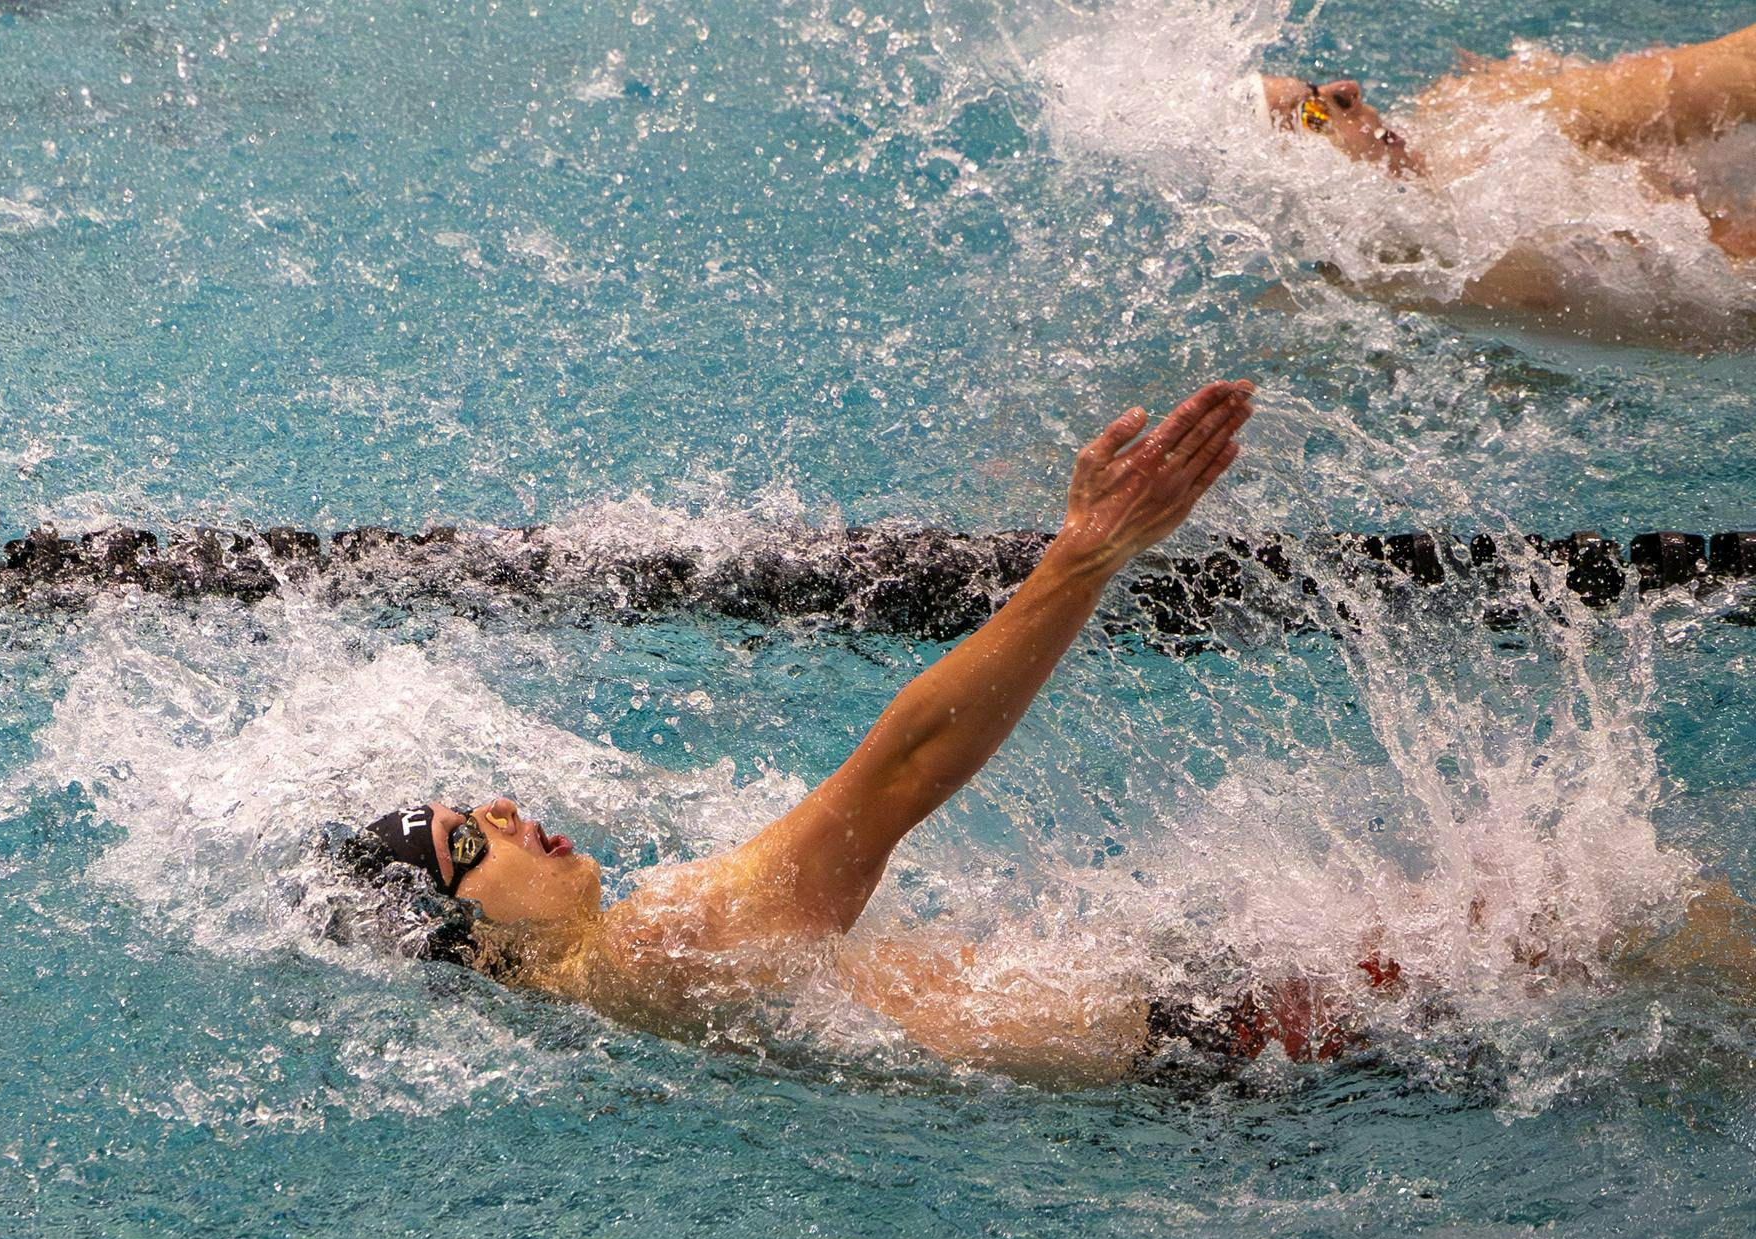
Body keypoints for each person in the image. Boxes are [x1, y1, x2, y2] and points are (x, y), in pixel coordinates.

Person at [311, 379, 1255, 1086]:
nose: (503, 807)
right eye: (468, 838)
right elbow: (900, 772)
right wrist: (1080, 562)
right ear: (474, 945)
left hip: (1174, 1058)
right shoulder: (650, 949)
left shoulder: (611, 1019)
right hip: (1226, 1038)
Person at [1257, 21, 1756, 326]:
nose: (1347, 89)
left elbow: (1739, 64)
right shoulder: (1394, 295)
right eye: (1314, 114)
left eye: (1318, 88)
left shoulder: (1512, 127)